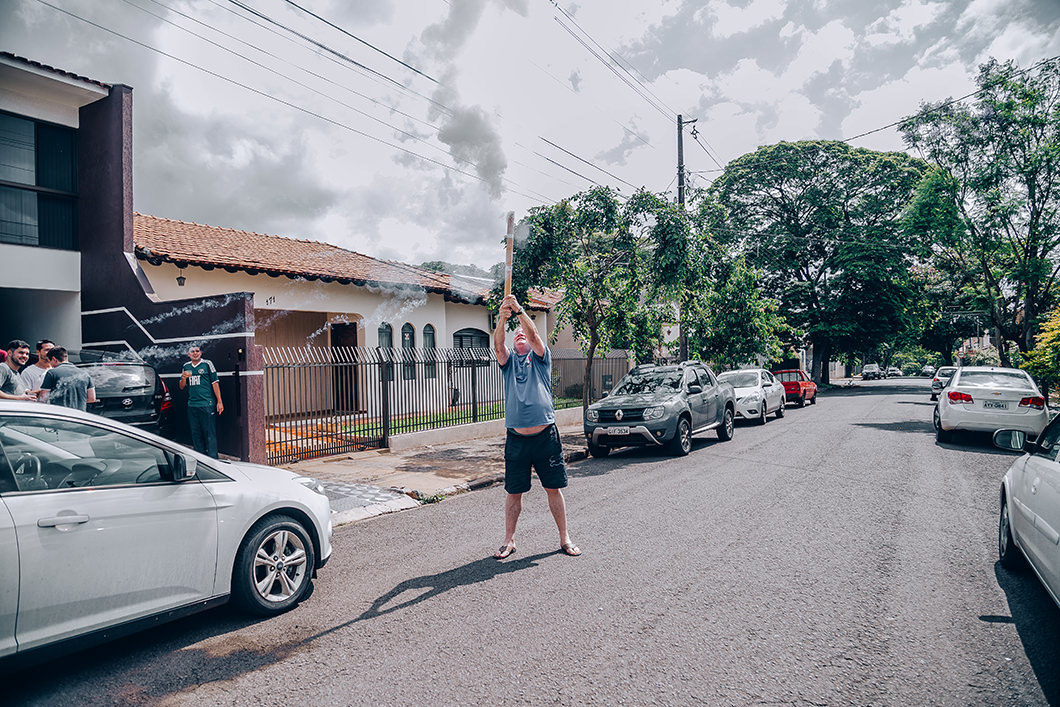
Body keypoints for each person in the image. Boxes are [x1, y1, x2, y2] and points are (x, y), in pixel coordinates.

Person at [492, 294, 580, 559]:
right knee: (513, 492)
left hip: (546, 437)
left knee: (553, 488)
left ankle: (564, 538)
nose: (520, 335)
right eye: (515, 335)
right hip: (517, 439)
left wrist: (518, 311)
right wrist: (501, 319)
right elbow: (498, 346)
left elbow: (534, 337)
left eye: (523, 334)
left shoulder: (541, 358)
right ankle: (509, 540)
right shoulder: (508, 364)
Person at [179, 344, 223, 458]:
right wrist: (183, 378)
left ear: (201, 353)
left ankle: (213, 459)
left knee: (209, 434)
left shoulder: (207, 364)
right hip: (192, 405)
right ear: (188, 354)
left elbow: (215, 383)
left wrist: (219, 401)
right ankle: (200, 459)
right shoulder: (186, 366)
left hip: (207, 404)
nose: (195, 353)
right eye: (192, 351)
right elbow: (182, 386)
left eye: (197, 351)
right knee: (196, 434)